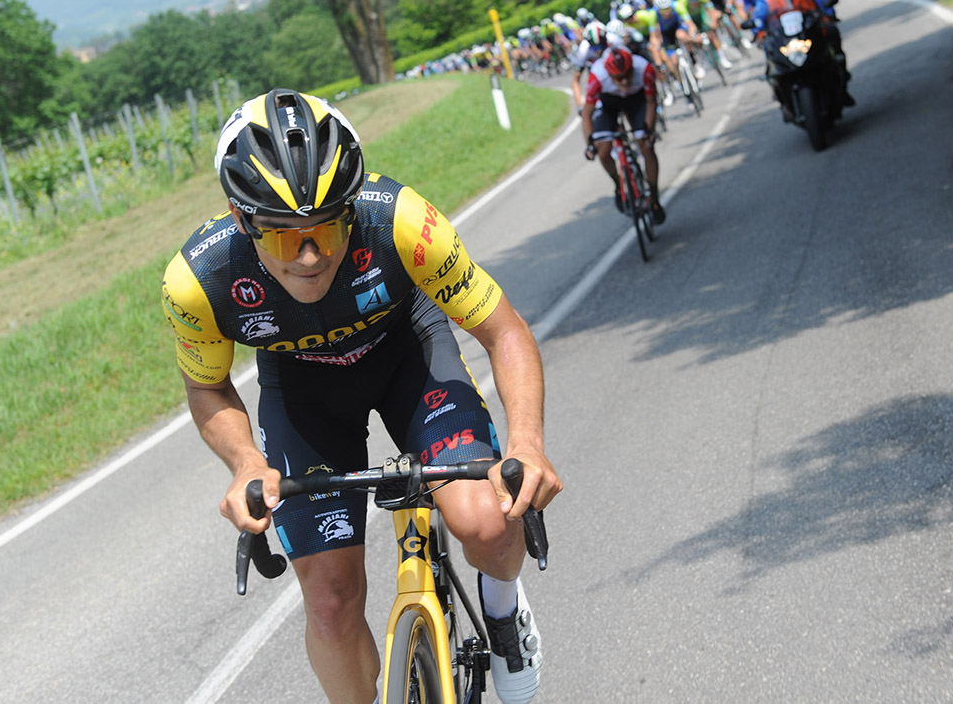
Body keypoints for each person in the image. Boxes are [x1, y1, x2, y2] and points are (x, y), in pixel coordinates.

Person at [162, 89, 563, 704]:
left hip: (409, 353)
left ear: (351, 207)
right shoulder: (199, 281)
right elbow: (206, 384)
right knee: (328, 601)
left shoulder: (399, 221)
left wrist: (527, 443)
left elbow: (502, 329)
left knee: (484, 521)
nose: (310, 256)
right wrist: (246, 462)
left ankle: (504, 611)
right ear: (242, 221)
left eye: (326, 227)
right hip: (302, 391)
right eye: (280, 238)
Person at [750, 0, 854, 107]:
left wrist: (828, 12)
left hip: (810, 26)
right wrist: (757, 29)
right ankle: (776, 85)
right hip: (783, 33)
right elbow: (760, 13)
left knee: (832, 33)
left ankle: (842, 79)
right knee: (768, 47)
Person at [581, 46, 665, 224]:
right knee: (603, 151)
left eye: (628, 74)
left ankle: (654, 197)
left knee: (646, 145)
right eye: (619, 78)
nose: (625, 81)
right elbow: (586, 114)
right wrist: (589, 143)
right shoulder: (597, 75)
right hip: (609, 103)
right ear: (609, 75)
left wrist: (649, 130)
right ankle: (619, 186)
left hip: (637, 101)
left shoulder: (644, 68)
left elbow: (651, 102)